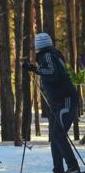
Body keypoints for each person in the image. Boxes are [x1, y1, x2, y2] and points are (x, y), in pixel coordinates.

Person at [23, 33, 80, 173]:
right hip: (57, 102)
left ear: (39, 46)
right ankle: (58, 168)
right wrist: (35, 68)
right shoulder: (49, 56)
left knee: (59, 134)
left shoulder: (47, 55)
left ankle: (73, 167)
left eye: (36, 45)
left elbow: (52, 72)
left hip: (65, 100)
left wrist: (34, 69)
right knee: (55, 137)